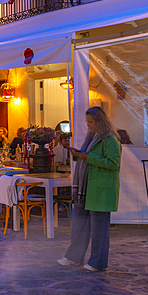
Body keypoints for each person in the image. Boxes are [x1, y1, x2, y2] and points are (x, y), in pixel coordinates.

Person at [58, 107, 121, 273]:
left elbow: (113, 164)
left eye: (90, 122)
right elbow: (88, 157)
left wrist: (87, 157)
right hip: (85, 189)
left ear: (99, 121)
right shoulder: (92, 137)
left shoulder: (110, 139)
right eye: (87, 122)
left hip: (99, 190)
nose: (88, 125)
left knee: (99, 229)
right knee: (79, 225)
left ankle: (98, 262)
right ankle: (73, 256)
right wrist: (79, 154)